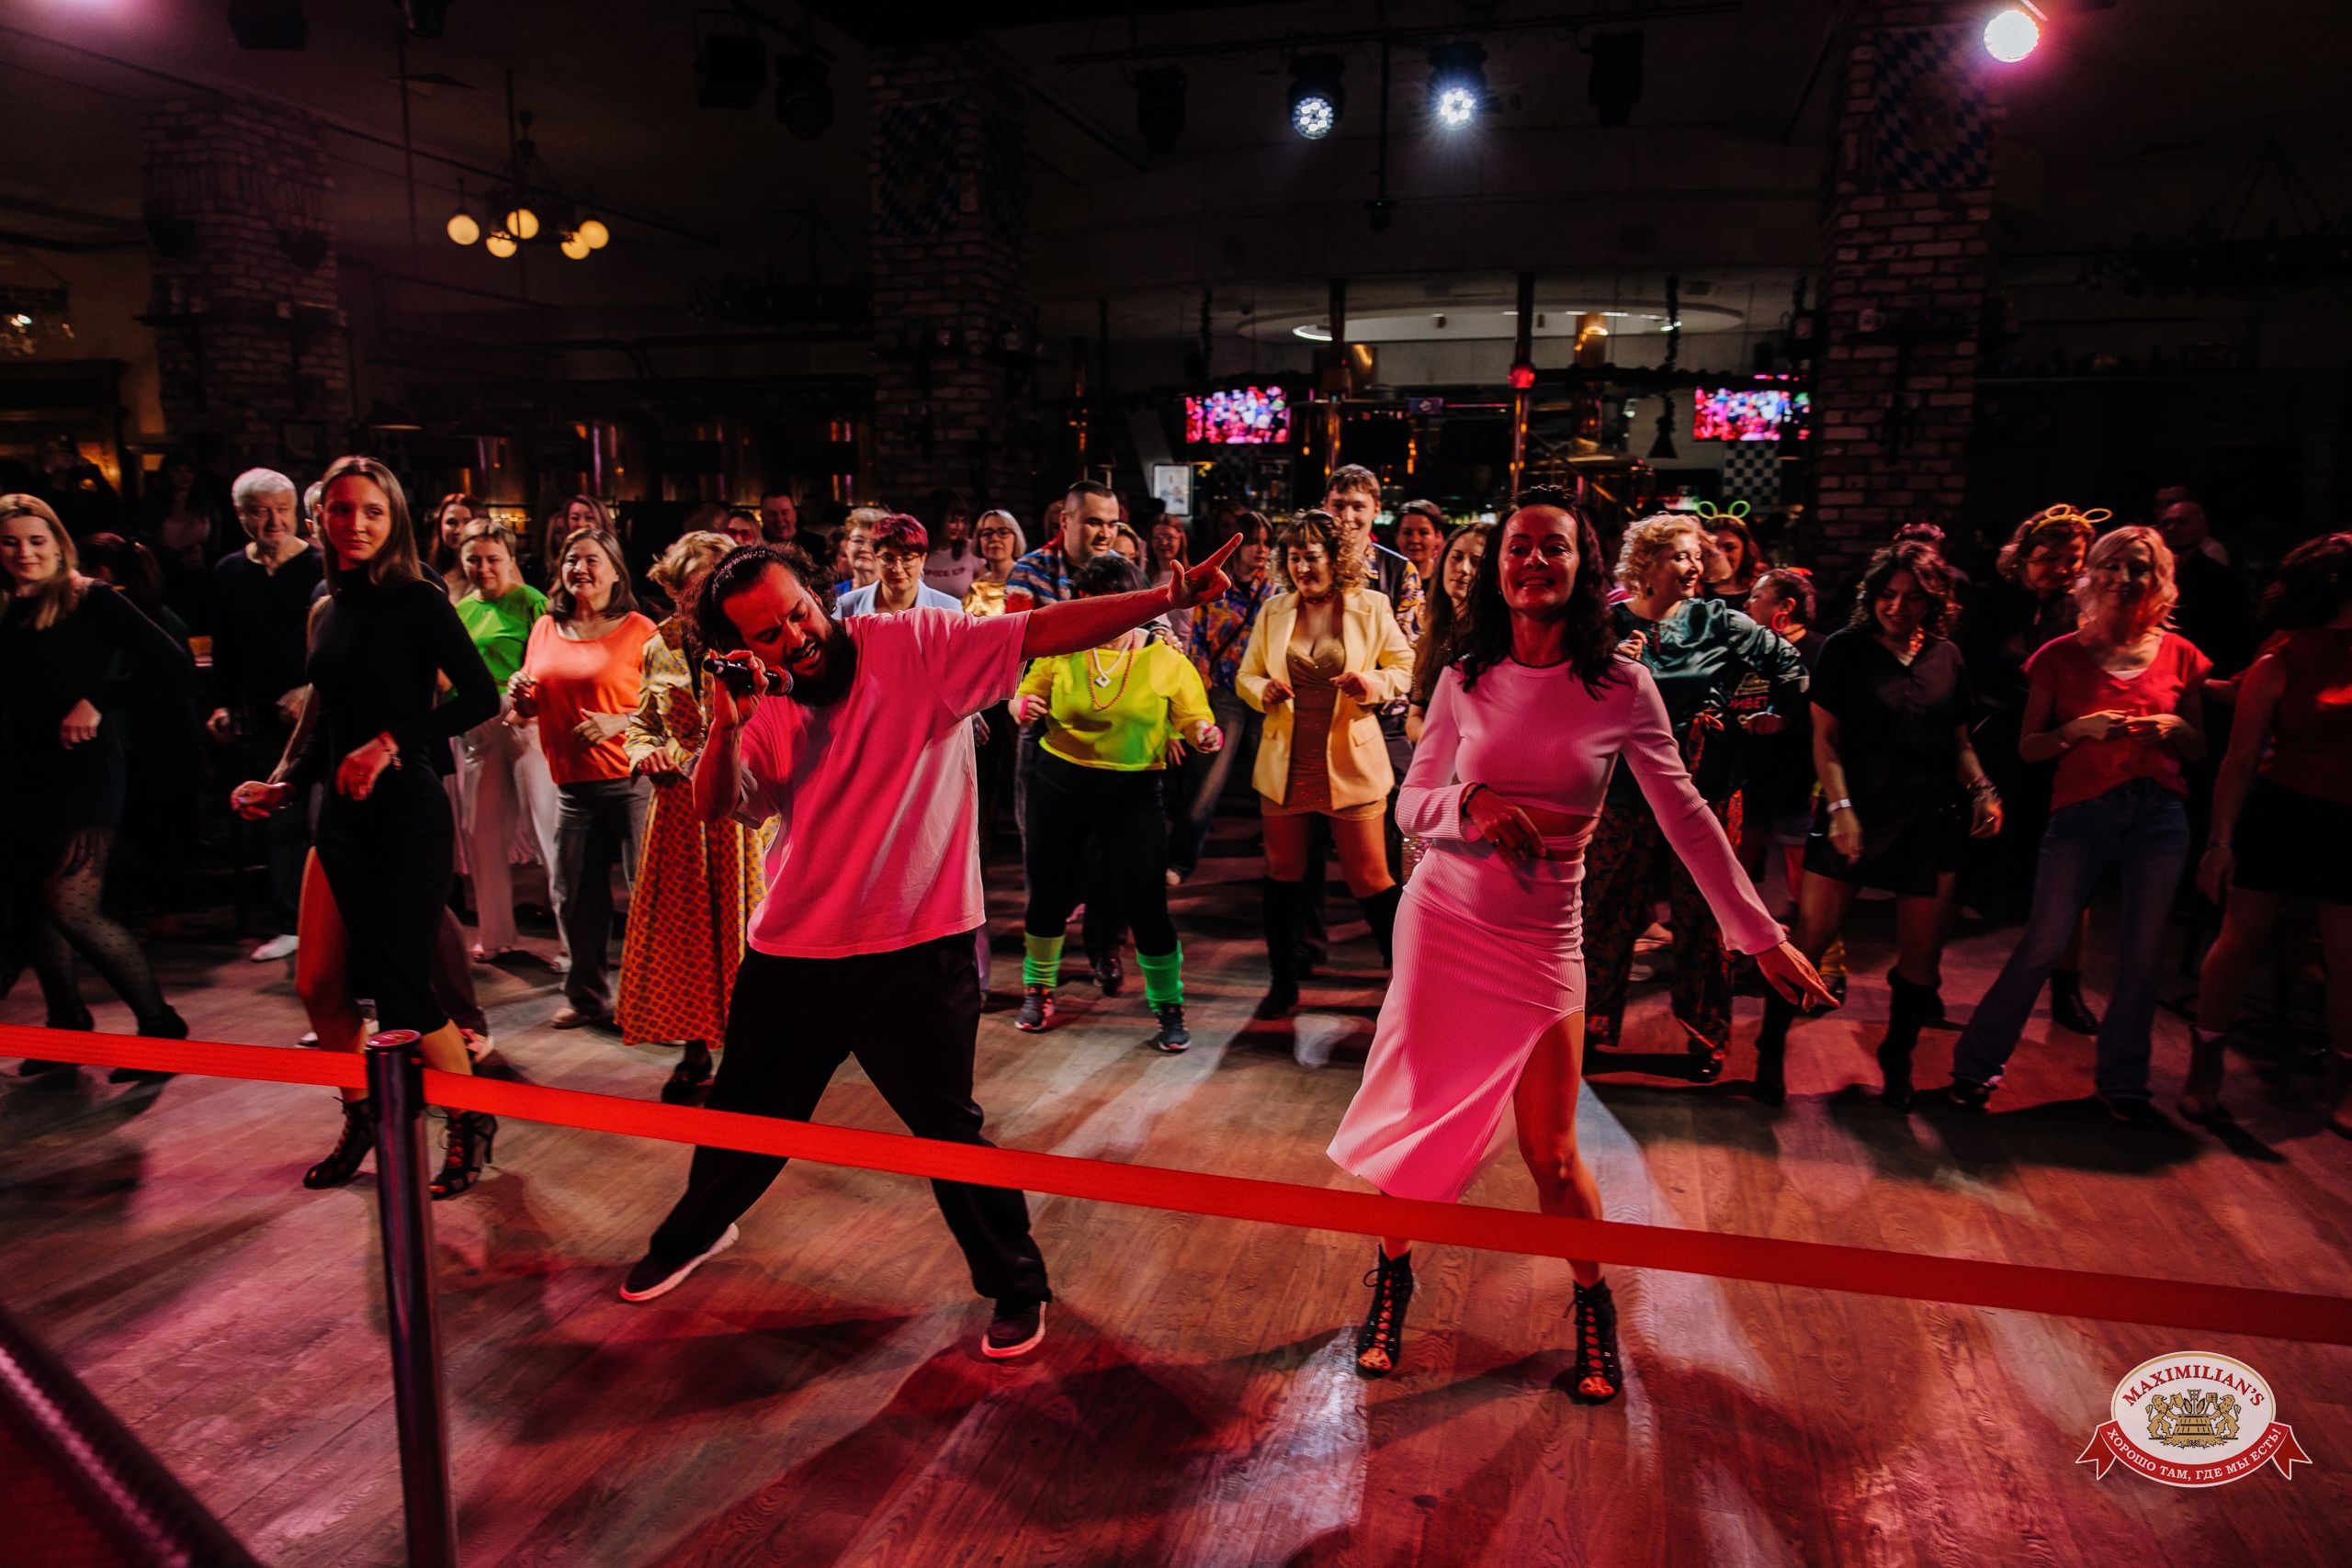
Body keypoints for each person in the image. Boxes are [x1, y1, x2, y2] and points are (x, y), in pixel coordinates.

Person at [616, 533, 1242, 1363]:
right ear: (744, 647)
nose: (795, 637)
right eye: (768, 634)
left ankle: (1018, 1285)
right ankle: (694, 1232)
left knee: (947, 1131)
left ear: (818, 595)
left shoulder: (917, 644)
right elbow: (715, 805)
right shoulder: (758, 702)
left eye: (798, 614)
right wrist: (727, 725)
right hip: (795, 948)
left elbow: (1041, 631)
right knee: (744, 1114)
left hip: (918, 945)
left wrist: (1165, 599)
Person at [1327, 489, 1831, 1393]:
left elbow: (1687, 817)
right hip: (1444, 924)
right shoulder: (1464, 676)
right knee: (1415, 1130)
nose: (1533, 561)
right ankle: (1392, 1283)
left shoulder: (1620, 688)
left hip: (1541, 941)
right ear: (1498, 569)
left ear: (1583, 565)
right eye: (1517, 546)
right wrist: (1472, 803)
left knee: (1553, 1155)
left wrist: (1758, 936)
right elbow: (1410, 805)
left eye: (1552, 547)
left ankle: (1592, 1304)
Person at [226, 459, 500, 1192]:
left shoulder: (418, 598)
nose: (356, 524)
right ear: (320, 517)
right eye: (342, 510)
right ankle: (363, 1115)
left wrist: (389, 742)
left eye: (373, 511)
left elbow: (481, 697)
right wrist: (284, 784)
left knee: (404, 992)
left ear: (395, 518)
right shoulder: (326, 608)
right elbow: (327, 717)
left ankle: (468, 1121)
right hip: (339, 815)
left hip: (407, 811)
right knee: (318, 985)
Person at [1948, 527, 2207, 1123]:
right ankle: (1975, 1066)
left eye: (2138, 567)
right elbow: (2030, 747)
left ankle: (2123, 1082)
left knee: (2142, 957)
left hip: (2160, 816)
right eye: (2111, 566)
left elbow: (2199, 747)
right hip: (2084, 812)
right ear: (2093, 576)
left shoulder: (2182, 654)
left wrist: (2175, 729)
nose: (2124, 578)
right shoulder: (2059, 655)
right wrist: (2074, 731)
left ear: (2159, 579)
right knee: (2042, 943)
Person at [1749, 543, 2000, 1107]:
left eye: (1913, 598)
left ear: (1934, 602)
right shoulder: (1845, 649)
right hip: (1854, 806)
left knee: (1922, 957)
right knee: (1811, 940)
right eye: (1888, 594)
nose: (1897, 607)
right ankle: (1770, 1046)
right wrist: (1840, 810)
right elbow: (1825, 740)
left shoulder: (1946, 657)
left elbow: (1960, 743)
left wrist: (1983, 789)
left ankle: (1897, 1056)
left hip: (1928, 814)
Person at [1582, 513, 1809, 1075]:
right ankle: (1587, 1029)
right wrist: (1608, 674)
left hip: (1703, 785)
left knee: (1705, 914)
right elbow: (1569, 698)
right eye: (1680, 556)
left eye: (1697, 556)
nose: (1693, 567)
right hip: (1623, 789)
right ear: (1646, 563)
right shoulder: (1605, 624)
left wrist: (1770, 712)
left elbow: (1789, 664)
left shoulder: (1718, 620)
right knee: (1604, 909)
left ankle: (1707, 1036)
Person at [1, 496, 193, 1079]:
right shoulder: (4, 606)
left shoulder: (92, 599)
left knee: (71, 906)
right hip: (18, 771)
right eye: (11, 542)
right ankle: (67, 1026)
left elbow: (171, 660)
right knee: (34, 906)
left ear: (59, 544)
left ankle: (162, 1027)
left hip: (81, 768)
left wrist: (98, 701)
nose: (25, 552)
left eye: (37, 541)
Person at [1012, 553, 1219, 1048]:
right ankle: (1038, 988)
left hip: (1133, 791)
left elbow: (1195, 716)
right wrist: (1022, 706)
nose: (1103, 613)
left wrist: (1202, 733)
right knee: (1049, 893)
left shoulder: (1164, 658)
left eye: (1114, 601)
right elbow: (1023, 695)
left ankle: (1168, 1004)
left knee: (1147, 903)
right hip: (1060, 783)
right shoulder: (1063, 649)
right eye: (1092, 602)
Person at [2189, 533, 2352, 1129]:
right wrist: (2219, 843)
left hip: (2348, 822)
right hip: (2283, 809)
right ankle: (2205, 1066)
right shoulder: (2282, 655)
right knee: (2241, 939)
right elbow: (2239, 760)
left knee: (2349, 957)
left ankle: (2342, 1083)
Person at [1236, 510, 1414, 1018]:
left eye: (1311, 557)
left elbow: (1404, 668)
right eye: (1293, 558)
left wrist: (1370, 683)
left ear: (1335, 559)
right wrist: (1262, 690)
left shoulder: (1371, 606)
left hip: (1351, 763)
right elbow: (1245, 675)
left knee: (1371, 878)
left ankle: (1407, 980)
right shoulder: (1274, 609)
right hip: (1286, 765)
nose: (1302, 568)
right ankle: (1283, 982)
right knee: (1282, 874)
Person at [617, 531, 766, 1103]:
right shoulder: (659, 645)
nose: (691, 603)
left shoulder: (751, 639)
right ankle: (696, 1046)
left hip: (743, 809)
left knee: (750, 933)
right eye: (683, 591)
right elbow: (641, 724)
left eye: (702, 589)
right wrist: (645, 752)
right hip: (681, 817)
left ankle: (752, 1050)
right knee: (688, 938)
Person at [1959, 503, 2102, 1026]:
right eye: (2049, 558)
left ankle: (2067, 986)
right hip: (1992, 741)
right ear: (2022, 557)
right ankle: (1924, 981)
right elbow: (1962, 671)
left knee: (2071, 868)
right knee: (1965, 857)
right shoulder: (1984, 600)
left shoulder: (2084, 608)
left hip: (2057, 747)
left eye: (2072, 559)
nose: (2061, 569)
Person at [510, 528, 659, 1028]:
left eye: (593, 560)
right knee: (574, 896)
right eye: (572, 559)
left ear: (616, 571)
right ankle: (587, 996)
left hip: (633, 781)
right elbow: (532, 705)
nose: (580, 569)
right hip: (572, 783)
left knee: (647, 896)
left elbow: (668, 705)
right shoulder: (546, 628)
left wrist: (620, 721)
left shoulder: (639, 628)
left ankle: (654, 1003)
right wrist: (523, 697)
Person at [208, 468, 323, 963]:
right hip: (263, 716)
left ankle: (334, 922)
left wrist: (312, 691)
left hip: (319, 709)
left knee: (325, 819)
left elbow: (335, 641)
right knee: (278, 820)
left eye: (282, 510)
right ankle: (291, 924)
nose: (274, 521)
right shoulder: (229, 571)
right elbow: (226, 647)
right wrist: (221, 704)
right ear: (241, 516)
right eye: (261, 512)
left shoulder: (319, 565)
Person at [451, 521, 563, 967]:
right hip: (478, 721)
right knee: (480, 830)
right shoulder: (463, 608)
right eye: (474, 560)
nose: (483, 568)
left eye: (493, 559)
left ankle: (570, 939)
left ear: (510, 559)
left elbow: (546, 658)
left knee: (546, 825)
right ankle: (494, 933)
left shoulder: (531, 601)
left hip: (523, 717)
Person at [1170, 512, 1276, 884]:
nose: (1261, 550)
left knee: (1274, 782)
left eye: (1267, 542)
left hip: (1266, 693)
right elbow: (1197, 638)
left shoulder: (1276, 587)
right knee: (1205, 782)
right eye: (1254, 541)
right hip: (1225, 691)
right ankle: (1179, 861)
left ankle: (1280, 863)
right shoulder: (1215, 584)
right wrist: (1201, 685)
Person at [1737, 567, 1824, 908]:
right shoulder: (1748, 650)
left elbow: (1833, 723)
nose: (1747, 603)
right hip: (1748, 779)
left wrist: (1822, 784)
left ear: (1785, 607)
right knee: (1733, 869)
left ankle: (1814, 937)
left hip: (1799, 781)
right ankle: (1728, 936)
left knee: (1804, 875)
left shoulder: (1821, 651)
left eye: (1757, 596)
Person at [2156, 498, 2254, 676]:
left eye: (2182, 522)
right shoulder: (2153, 575)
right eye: (2166, 523)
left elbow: (2234, 635)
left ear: (2203, 529)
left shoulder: (2222, 578)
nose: (2171, 528)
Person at [837, 514, 964, 617]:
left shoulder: (949, 608)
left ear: (922, 560)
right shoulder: (847, 606)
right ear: (876, 558)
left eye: (907, 559)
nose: (898, 569)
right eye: (888, 558)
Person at [922, 492, 986, 602]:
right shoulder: (919, 551)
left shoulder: (970, 549)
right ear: (936, 520)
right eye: (953, 521)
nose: (959, 527)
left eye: (963, 521)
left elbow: (984, 592)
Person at [539, 494, 613, 588]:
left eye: (589, 518)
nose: (581, 524)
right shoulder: (561, 558)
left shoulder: (616, 555)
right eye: (575, 518)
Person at [961, 509, 1023, 618]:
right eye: (987, 533)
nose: (994, 538)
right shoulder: (975, 588)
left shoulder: (1029, 582)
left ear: (1016, 538)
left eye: (1003, 532)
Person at [1146, 513, 1195, 650]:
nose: (1163, 542)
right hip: (1160, 651)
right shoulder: (1145, 580)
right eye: (1157, 537)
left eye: (1169, 537)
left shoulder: (1194, 577)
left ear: (1181, 539)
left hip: (1192, 651)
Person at [1702, 507, 1768, 603]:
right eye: (1713, 548)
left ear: (1745, 549)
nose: (1721, 556)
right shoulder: (1693, 591)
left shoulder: (1763, 589)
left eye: (1729, 548)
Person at [424, 492, 480, 587]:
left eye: (467, 522)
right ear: (440, 526)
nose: (458, 530)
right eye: (451, 522)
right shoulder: (430, 574)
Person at [1393, 501, 1447, 589]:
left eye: (1423, 533)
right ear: (1397, 537)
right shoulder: (1385, 579)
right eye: (1407, 533)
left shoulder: (1446, 580)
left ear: (1437, 536)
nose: (1415, 540)